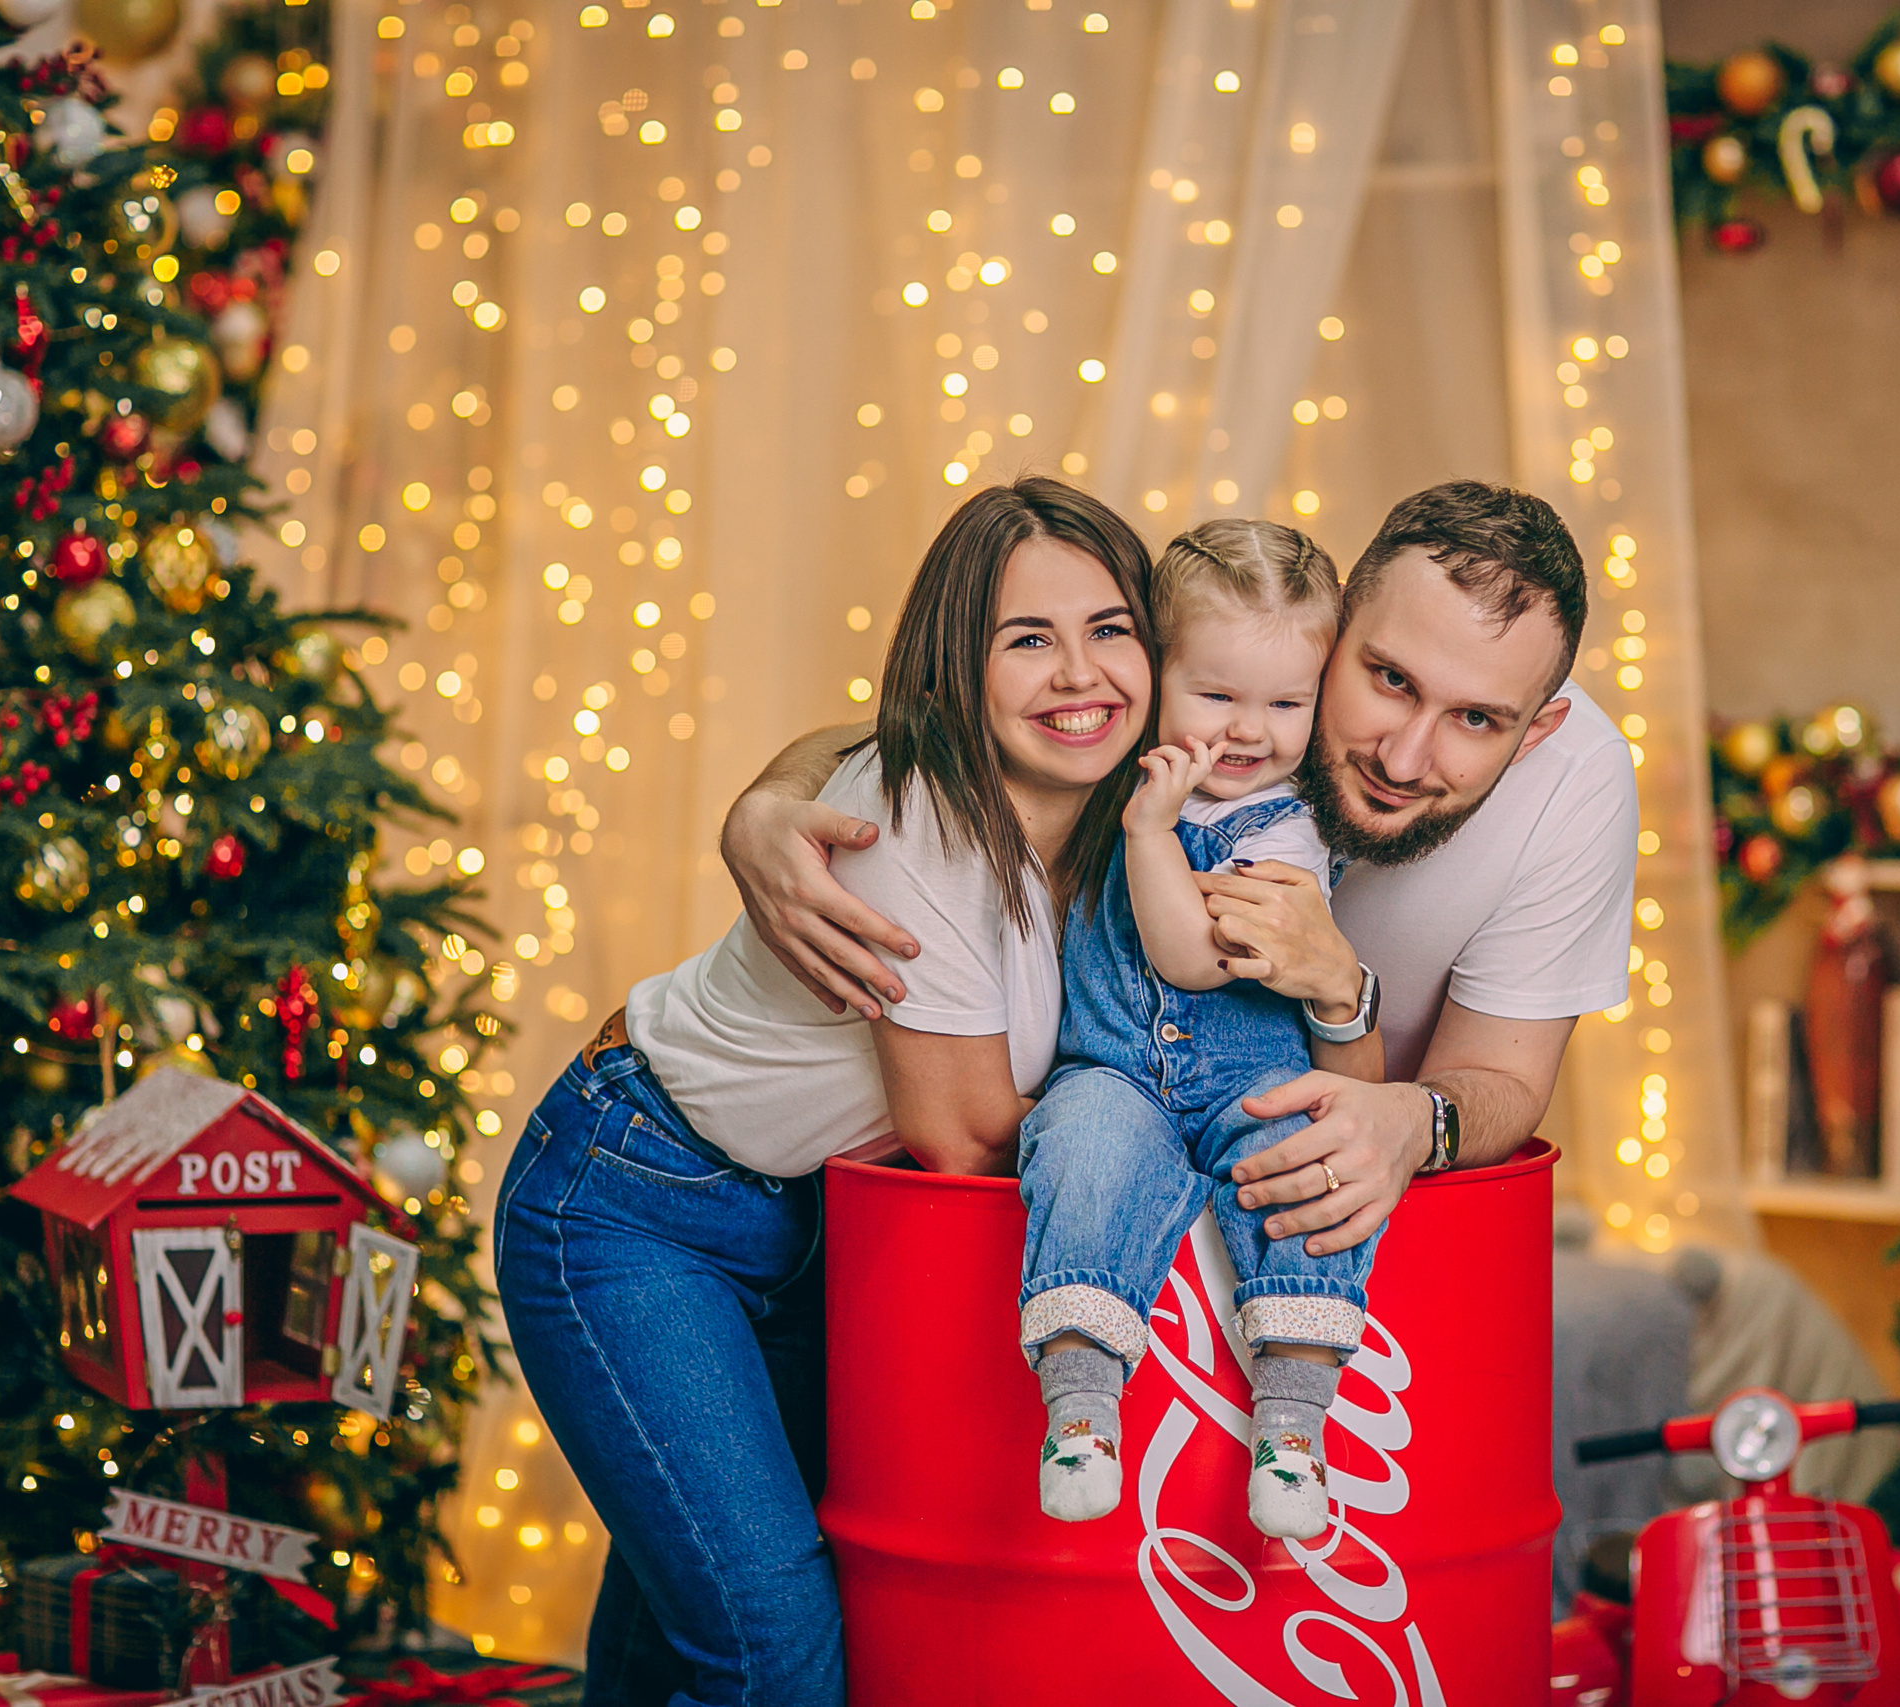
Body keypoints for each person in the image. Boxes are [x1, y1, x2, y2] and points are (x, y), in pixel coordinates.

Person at [494, 478, 1156, 1707]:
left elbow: (840, 738)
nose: (1081, 674)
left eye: (1109, 628)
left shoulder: (1130, 817)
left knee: (676, 1636)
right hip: (639, 1199)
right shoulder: (919, 819)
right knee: (772, 1649)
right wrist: (1169, 1144)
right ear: (956, 670)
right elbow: (964, 1136)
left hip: (819, 1226)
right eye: (1027, 639)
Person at [723, 479, 1637, 1264]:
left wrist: (1412, 1117)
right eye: (1389, 679)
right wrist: (763, 805)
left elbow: (1501, 1078)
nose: (1402, 758)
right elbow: (936, 728)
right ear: (1334, 630)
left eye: (1476, 719)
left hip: (1286, 1182)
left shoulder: (1577, 781)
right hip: (925, 1175)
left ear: (1536, 730)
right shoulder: (1200, 707)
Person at [1020, 519, 1382, 1543]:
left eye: (1286, 703)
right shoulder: (1113, 769)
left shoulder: (1287, 828)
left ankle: (1292, 1429)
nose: (1249, 731)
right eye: (1216, 695)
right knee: (1080, 1146)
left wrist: (1148, 831)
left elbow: (1192, 957)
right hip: (1114, 1072)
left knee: (1304, 1174)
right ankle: (1080, 1413)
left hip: (1247, 1080)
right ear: (1156, 676)